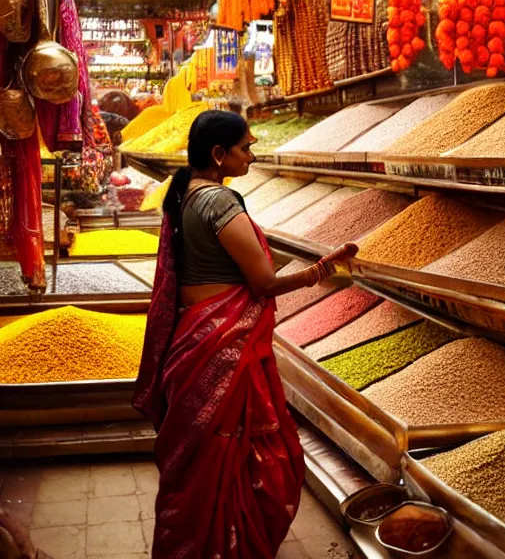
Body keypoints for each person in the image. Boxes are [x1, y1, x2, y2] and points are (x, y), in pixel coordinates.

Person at [133, 110, 357, 559]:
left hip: (194, 334)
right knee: (243, 455)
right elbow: (264, 284)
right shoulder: (219, 202)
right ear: (219, 154)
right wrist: (322, 268)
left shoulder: (183, 195)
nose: (252, 156)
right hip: (223, 343)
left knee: (206, 460)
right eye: (246, 148)